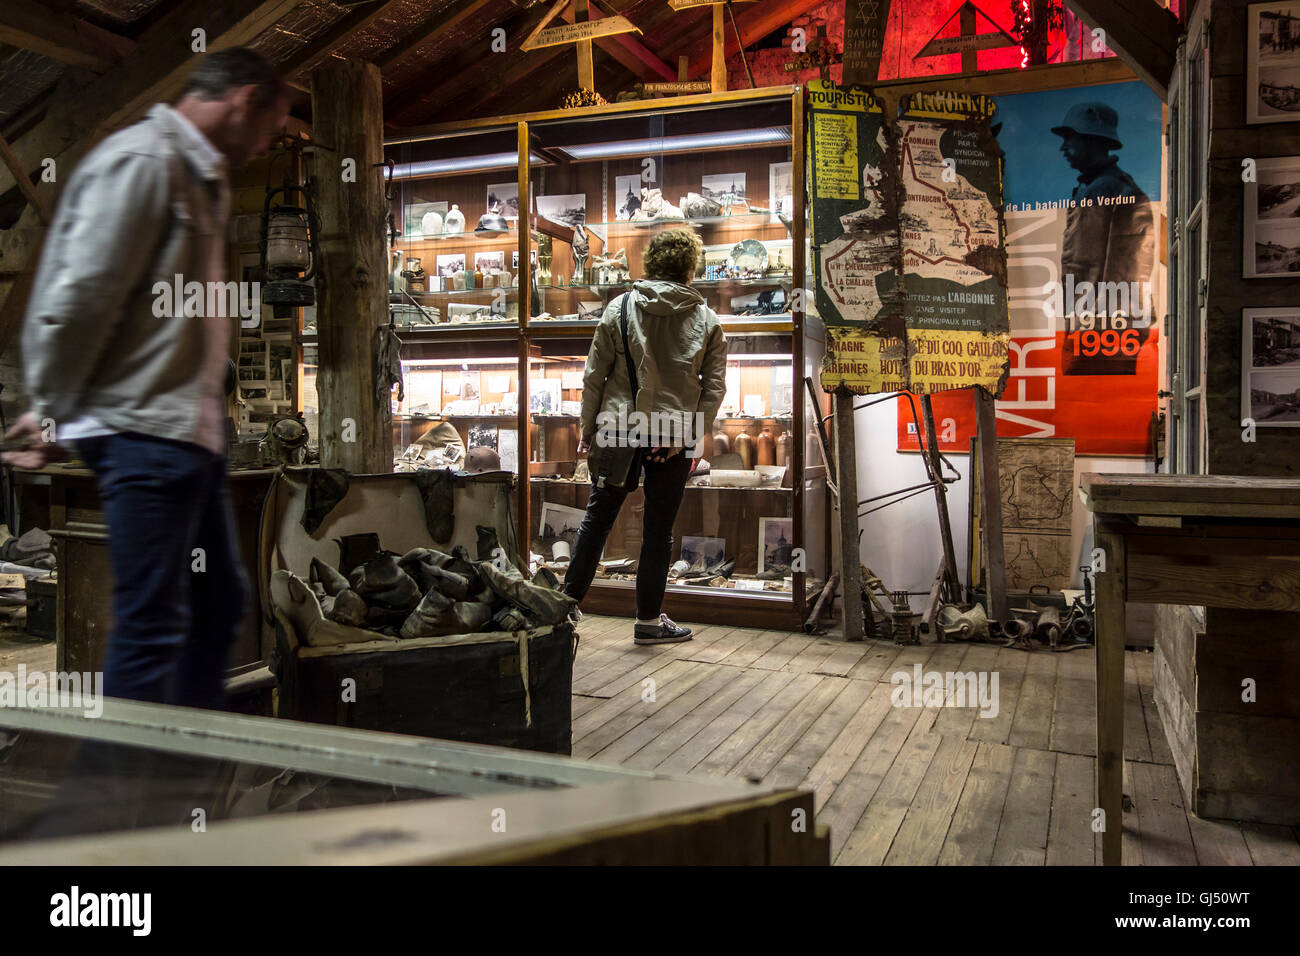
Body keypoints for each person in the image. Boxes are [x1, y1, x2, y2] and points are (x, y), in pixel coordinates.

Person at [4, 48, 290, 709]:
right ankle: (119, 796)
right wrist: (51, 411)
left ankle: (174, 771)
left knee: (218, 605)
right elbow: (81, 297)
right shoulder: (143, 163)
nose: (262, 147)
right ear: (244, 102)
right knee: (151, 625)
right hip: (142, 432)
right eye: (268, 131)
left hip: (187, 437)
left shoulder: (202, 179)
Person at [561, 229, 728, 645]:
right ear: (691, 268)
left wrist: (587, 429)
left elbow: (594, 376)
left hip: (618, 428)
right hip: (671, 436)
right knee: (659, 529)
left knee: (597, 520)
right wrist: (689, 432)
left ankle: (562, 615)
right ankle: (648, 623)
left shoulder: (618, 308)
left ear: (651, 263)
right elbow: (714, 389)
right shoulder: (706, 320)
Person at [1051, 102, 1156, 294]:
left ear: (1091, 139)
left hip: (1101, 316)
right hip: (1094, 313)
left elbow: (1088, 263)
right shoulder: (1096, 186)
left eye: (1070, 138)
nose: (1063, 147)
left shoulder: (1109, 189)